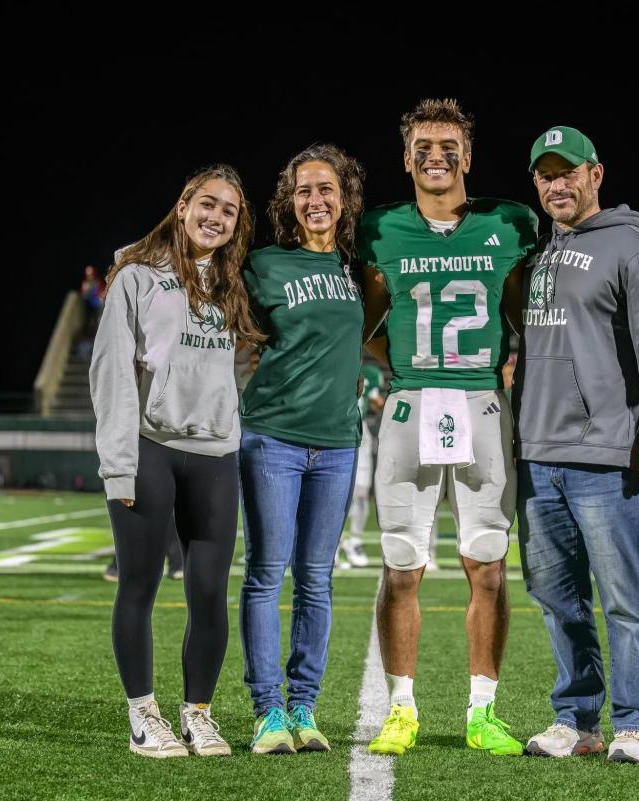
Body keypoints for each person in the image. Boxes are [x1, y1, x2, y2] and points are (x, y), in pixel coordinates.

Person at [359, 98, 538, 757]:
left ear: (469, 153)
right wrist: (407, 365)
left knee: (487, 564)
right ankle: (401, 708)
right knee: (401, 564)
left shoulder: (507, 223)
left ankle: (482, 710)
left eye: (448, 144)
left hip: (483, 406)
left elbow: (524, 320)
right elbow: (367, 326)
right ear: (406, 158)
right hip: (410, 406)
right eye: (424, 146)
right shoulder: (381, 229)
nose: (437, 155)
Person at [515, 126, 639, 765]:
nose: (555, 184)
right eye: (544, 175)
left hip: (606, 457)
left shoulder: (635, 250)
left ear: (597, 174)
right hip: (537, 457)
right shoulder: (540, 252)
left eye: (568, 172)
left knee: (623, 598)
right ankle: (577, 720)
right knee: (557, 599)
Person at [90, 164, 263, 758]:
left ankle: (199, 714)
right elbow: (110, 371)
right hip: (149, 447)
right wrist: (117, 464)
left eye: (229, 211)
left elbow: (239, 368)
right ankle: (143, 715)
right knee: (138, 586)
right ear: (184, 204)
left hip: (214, 454)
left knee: (210, 592)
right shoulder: (136, 277)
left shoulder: (233, 284)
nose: (216, 218)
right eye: (207, 204)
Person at [238, 144, 365, 755]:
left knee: (316, 579)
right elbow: (206, 286)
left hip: (339, 444)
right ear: (289, 202)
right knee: (266, 574)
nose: (316, 201)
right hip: (272, 438)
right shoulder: (263, 263)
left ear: (344, 200)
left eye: (326, 189)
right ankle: (267, 711)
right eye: (304, 191)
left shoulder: (356, 267)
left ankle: (304, 706)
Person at [337, 363, 386, 569]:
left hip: (359, 428)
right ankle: (334, 545)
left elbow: (376, 402)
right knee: (333, 490)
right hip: (333, 425)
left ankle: (354, 541)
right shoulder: (333, 362)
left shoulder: (371, 373)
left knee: (361, 491)